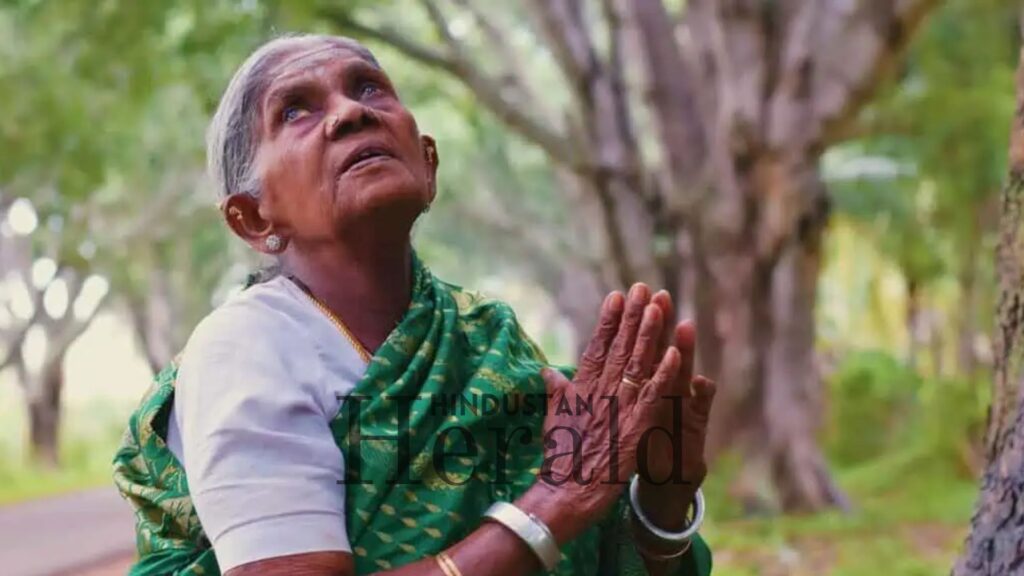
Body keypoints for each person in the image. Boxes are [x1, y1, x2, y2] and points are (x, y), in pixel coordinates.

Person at [113, 34, 717, 576]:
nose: (351, 112)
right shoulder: (246, 348)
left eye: (368, 87)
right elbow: (562, 506)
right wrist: (552, 504)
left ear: (427, 165)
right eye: (295, 110)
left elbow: (605, 550)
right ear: (252, 217)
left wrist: (658, 503)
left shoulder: (489, 341)